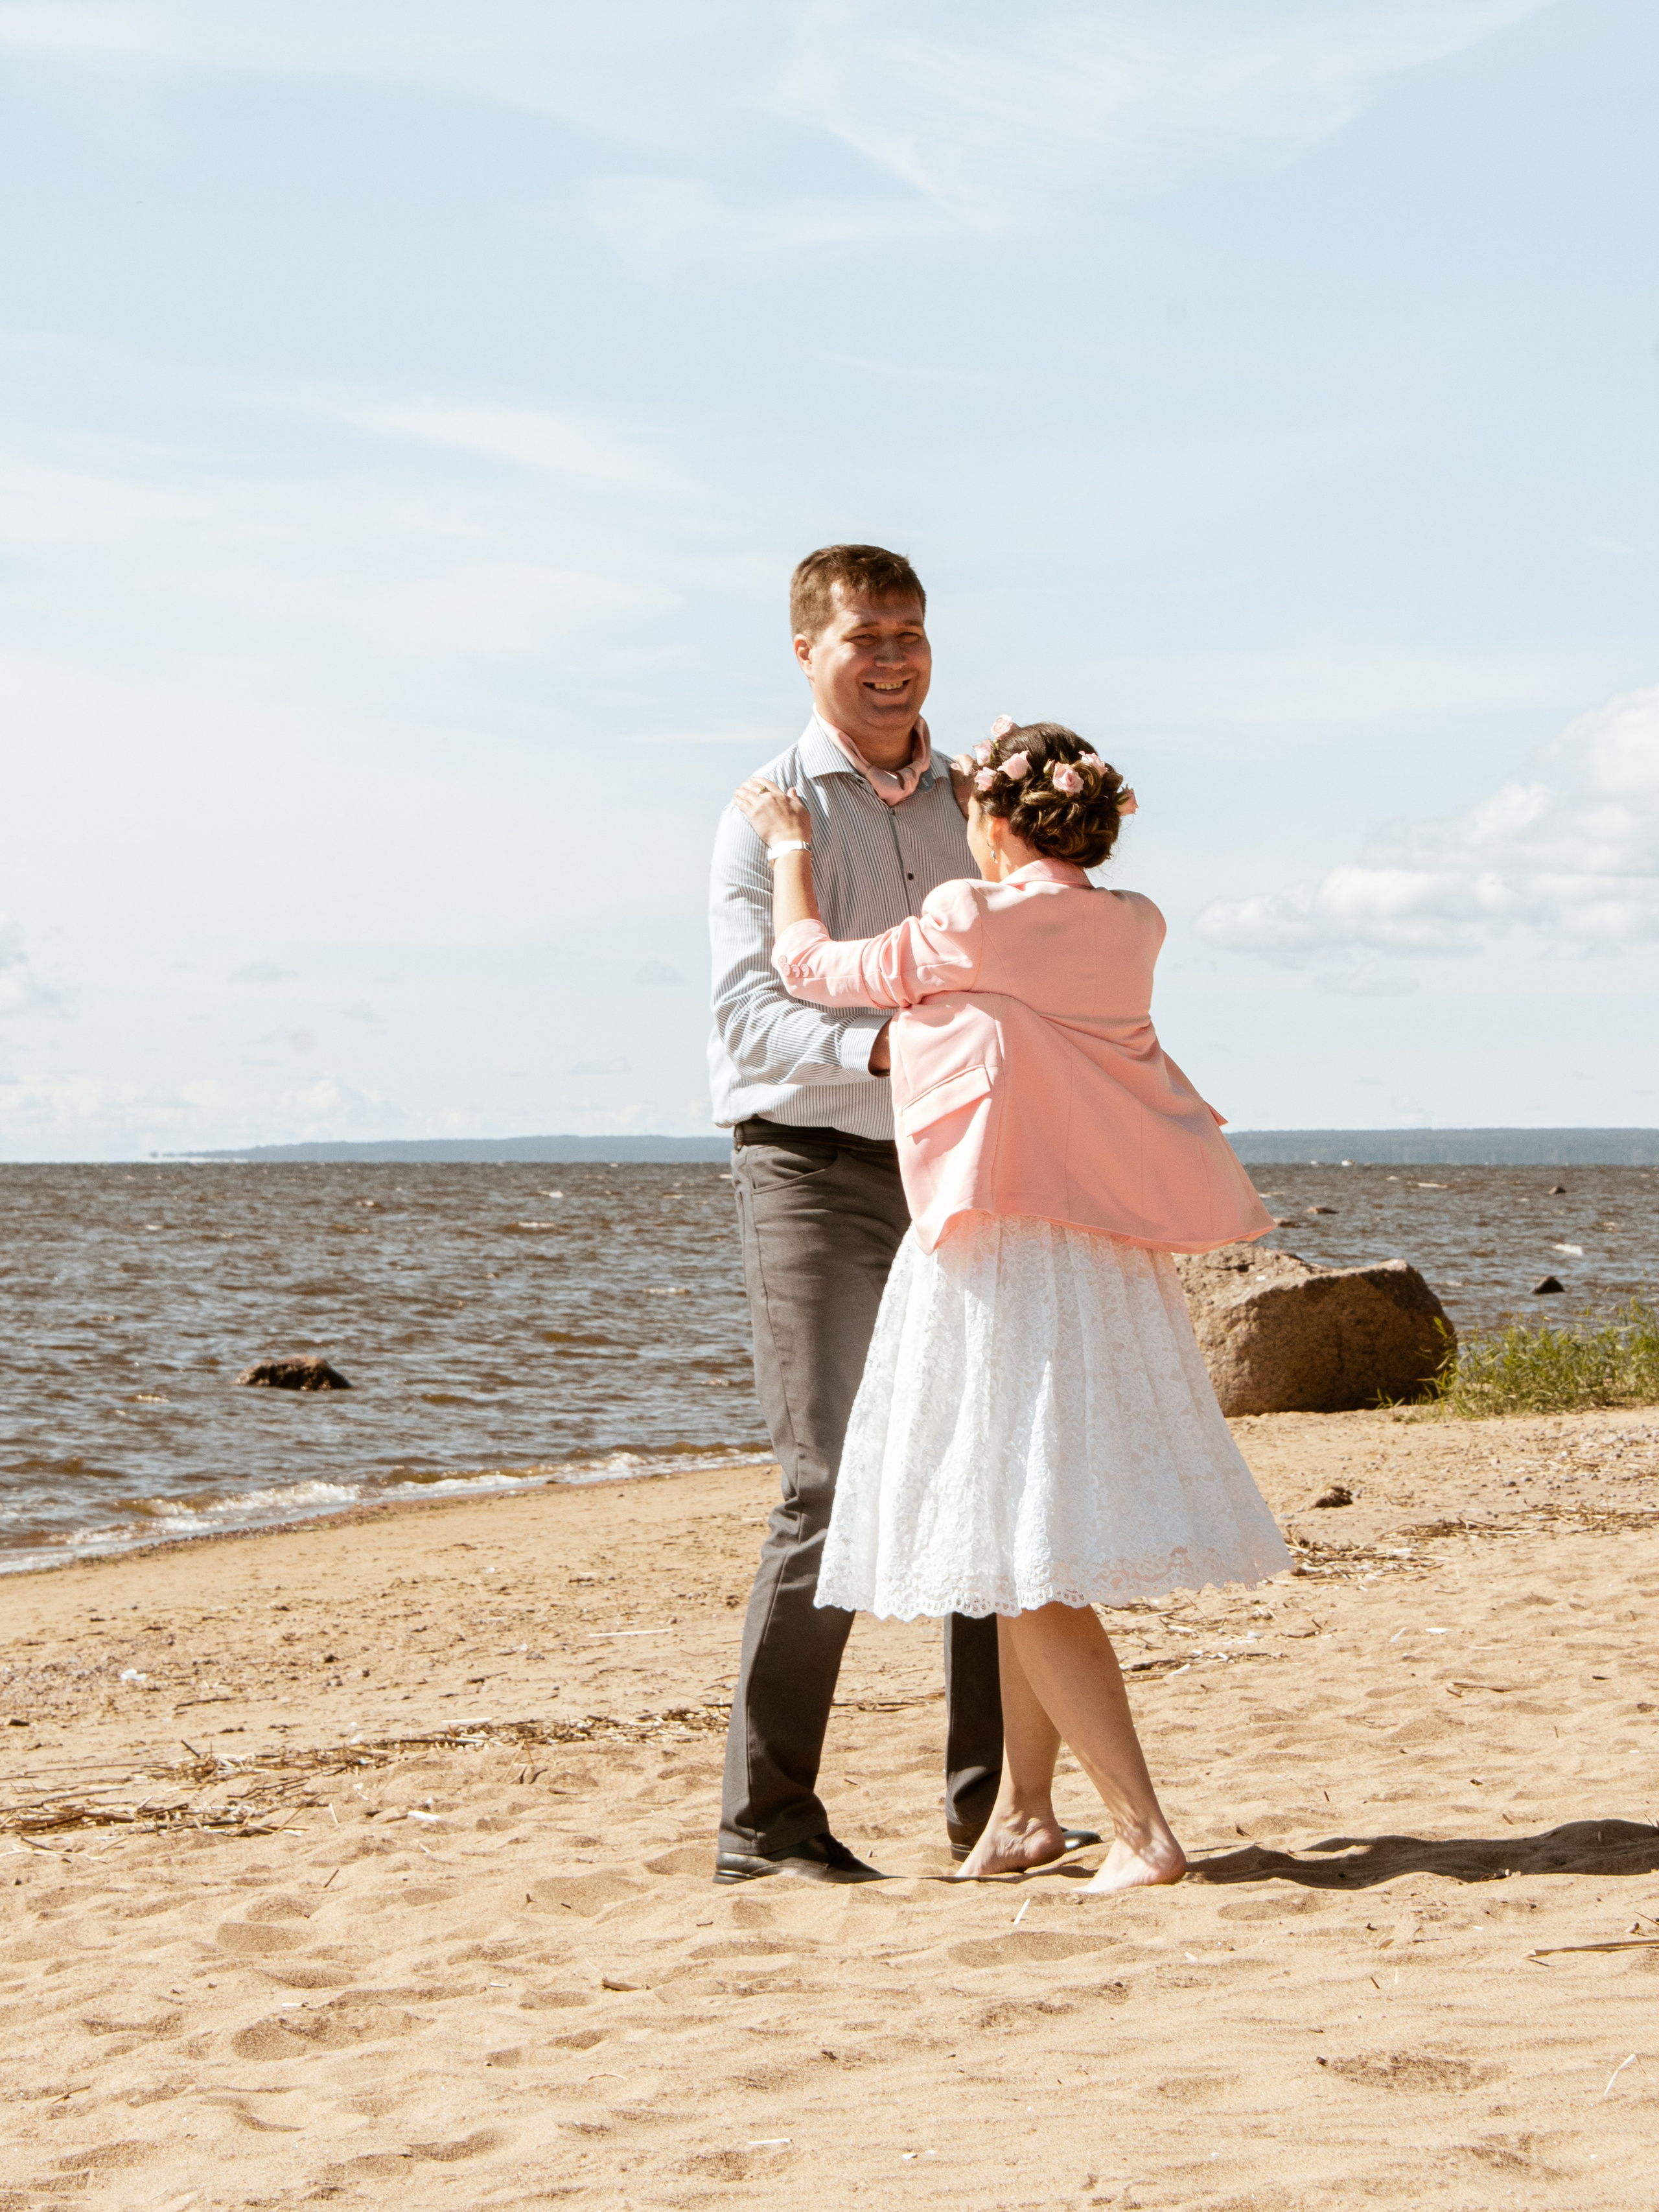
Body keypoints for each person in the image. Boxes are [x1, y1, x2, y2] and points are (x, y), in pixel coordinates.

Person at [732, 717, 1290, 1894]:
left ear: (991, 822)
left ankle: (1143, 1829)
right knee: (1017, 1528)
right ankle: (1025, 1813)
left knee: (1026, 1551)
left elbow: (810, 971)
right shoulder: (1135, 924)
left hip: (1003, 1249)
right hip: (1101, 1256)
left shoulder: (969, 919)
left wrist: (788, 846)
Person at [708, 546, 1099, 1887]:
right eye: (865, 636)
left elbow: (1048, 929)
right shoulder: (764, 813)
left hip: (964, 1166)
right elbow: (750, 1015)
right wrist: (896, 1049)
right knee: (825, 1485)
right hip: (809, 1167)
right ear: (807, 651)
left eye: (911, 633)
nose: (893, 659)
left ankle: (995, 1808)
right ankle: (765, 1829)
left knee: (990, 1467)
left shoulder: (977, 800)